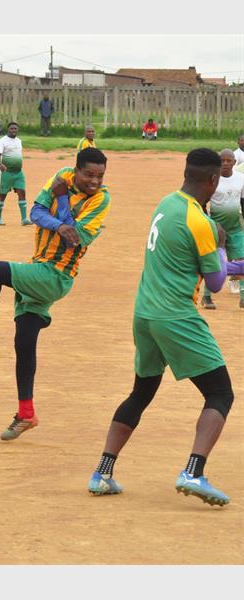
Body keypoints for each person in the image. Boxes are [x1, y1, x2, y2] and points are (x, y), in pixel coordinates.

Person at [87, 148, 243, 507]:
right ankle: (193, 470)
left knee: (141, 392)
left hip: (145, 314)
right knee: (220, 394)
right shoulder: (200, 222)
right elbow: (217, 283)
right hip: (176, 316)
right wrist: (223, 249)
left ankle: (102, 472)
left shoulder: (166, 203)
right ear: (212, 180)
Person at [0, 147, 111, 441]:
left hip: (56, 275)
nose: (95, 181)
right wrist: (60, 222)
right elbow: (36, 212)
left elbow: (74, 239)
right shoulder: (61, 176)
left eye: (100, 176)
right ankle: (26, 413)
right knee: (25, 342)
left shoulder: (101, 200)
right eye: (89, 174)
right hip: (40, 267)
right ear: (76, 170)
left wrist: (62, 199)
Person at [200, 149, 244, 310]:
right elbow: (203, 202)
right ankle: (206, 296)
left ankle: (243, 297)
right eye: (222, 161)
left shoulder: (241, 179)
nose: (225, 163)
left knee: (240, 259)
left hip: (235, 227)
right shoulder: (213, 179)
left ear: (234, 162)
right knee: (213, 261)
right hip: (215, 227)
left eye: (229, 160)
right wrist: (207, 222)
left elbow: (243, 201)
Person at [0, 122, 32, 226]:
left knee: (22, 193)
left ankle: (24, 219)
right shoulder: (2, 141)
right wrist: (1, 164)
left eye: (15, 129)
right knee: (2, 195)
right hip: (6, 173)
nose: (13, 130)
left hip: (18, 173)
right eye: (11, 129)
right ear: (8, 129)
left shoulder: (19, 141)